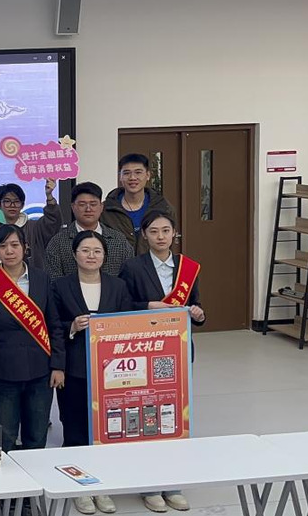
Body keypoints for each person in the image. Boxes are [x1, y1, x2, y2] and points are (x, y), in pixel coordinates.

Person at [118, 211, 204, 513]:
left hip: (177, 349)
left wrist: (199, 313)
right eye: (154, 231)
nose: (161, 236)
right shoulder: (132, 267)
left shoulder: (188, 267)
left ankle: (173, 481)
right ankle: (149, 485)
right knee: (145, 415)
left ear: (174, 233)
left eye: (166, 230)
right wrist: (147, 306)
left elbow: (196, 305)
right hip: (145, 349)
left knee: (174, 416)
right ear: (144, 235)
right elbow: (122, 306)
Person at [48, 231, 138, 515]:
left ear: (104, 256)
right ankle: (79, 487)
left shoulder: (118, 286)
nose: (91, 255)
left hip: (111, 370)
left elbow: (128, 323)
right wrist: (73, 327)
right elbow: (53, 325)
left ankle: (102, 486)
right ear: (74, 254)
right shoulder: (61, 286)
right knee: (74, 427)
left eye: (97, 251)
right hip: (74, 368)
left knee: (105, 429)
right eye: (85, 250)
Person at [0, 225, 56, 453]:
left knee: (36, 435)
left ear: (25, 247)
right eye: (3, 246)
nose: (9, 251)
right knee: (4, 437)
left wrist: (58, 365)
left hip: (40, 370)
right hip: (3, 370)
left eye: (15, 245)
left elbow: (54, 324)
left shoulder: (42, 279)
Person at [44, 183, 134, 280]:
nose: (88, 209)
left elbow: (129, 278)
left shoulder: (119, 241)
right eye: (82, 204)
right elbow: (54, 281)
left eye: (93, 204)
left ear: (101, 207)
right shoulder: (57, 243)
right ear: (73, 207)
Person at [102, 154, 175, 255]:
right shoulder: (106, 209)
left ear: (148, 175)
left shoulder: (163, 207)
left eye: (138, 172)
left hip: (151, 264)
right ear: (120, 176)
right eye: (126, 173)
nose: (132, 178)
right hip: (117, 264)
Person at [0, 180, 62, 270]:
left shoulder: (34, 228)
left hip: (31, 276)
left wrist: (49, 196)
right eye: (7, 201)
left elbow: (53, 221)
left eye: (16, 201)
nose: (12, 205)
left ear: (22, 205)